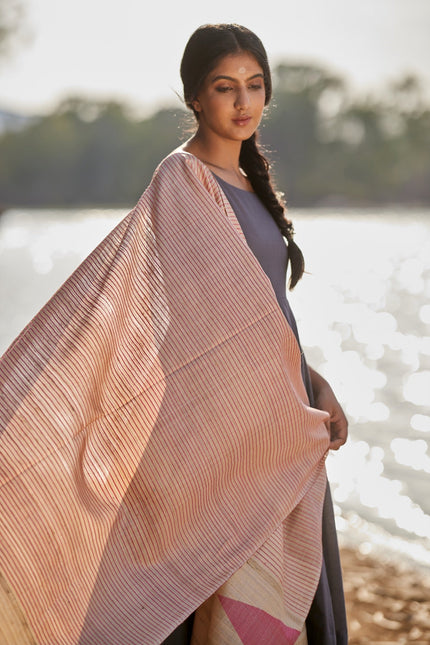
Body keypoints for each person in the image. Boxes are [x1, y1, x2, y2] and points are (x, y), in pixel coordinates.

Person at [0, 24, 347, 645]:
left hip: (282, 413)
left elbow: (266, 319)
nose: (243, 103)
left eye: (255, 86)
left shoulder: (251, 188)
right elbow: (195, 327)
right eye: (224, 87)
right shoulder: (183, 181)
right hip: (222, 427)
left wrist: (316, 385)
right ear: (194, 97)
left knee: (295, 596)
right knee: (196, 595)